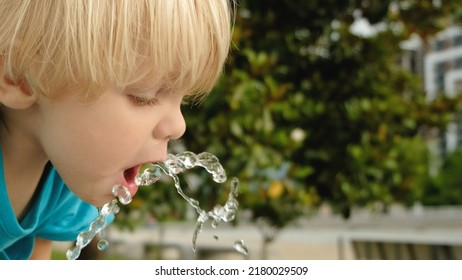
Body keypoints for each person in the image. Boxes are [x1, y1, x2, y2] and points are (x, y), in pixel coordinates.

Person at [0, 0, 233, 259]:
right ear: (18, 76)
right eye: (145, 96)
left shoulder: (67, 179)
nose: (178, 126)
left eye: (184, 99)